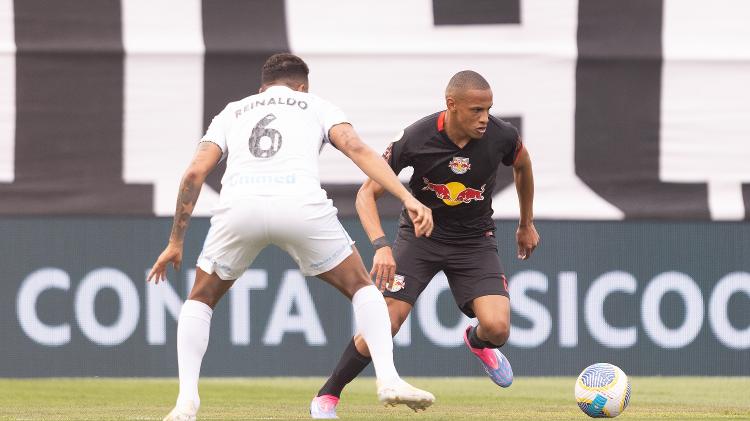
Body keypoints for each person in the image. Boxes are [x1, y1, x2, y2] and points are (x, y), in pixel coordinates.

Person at [147, 53, 436, 421]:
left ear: (262, 87)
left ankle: (186, 403)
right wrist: (407, 197)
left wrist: (176, 241)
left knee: (200, 299)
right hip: (300, 205)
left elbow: (193, 175)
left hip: (240, 208)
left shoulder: (233, 111)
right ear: (301, 86)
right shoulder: (314, 104)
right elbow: (357, 149)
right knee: (363, 287)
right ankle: (388, 378)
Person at [310, 70, 540, 419]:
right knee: (386, 321)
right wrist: (381, 246)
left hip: (474, 241)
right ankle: (328, 396)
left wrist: (526, 223)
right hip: (421, 239)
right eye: (476, 110)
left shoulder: (501, 135)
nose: (484, 119)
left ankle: (477, 342)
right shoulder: (416, 138)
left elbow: (523, 166)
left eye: (488, 109)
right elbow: (365, 195)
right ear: (451, 105)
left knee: (498, 328)